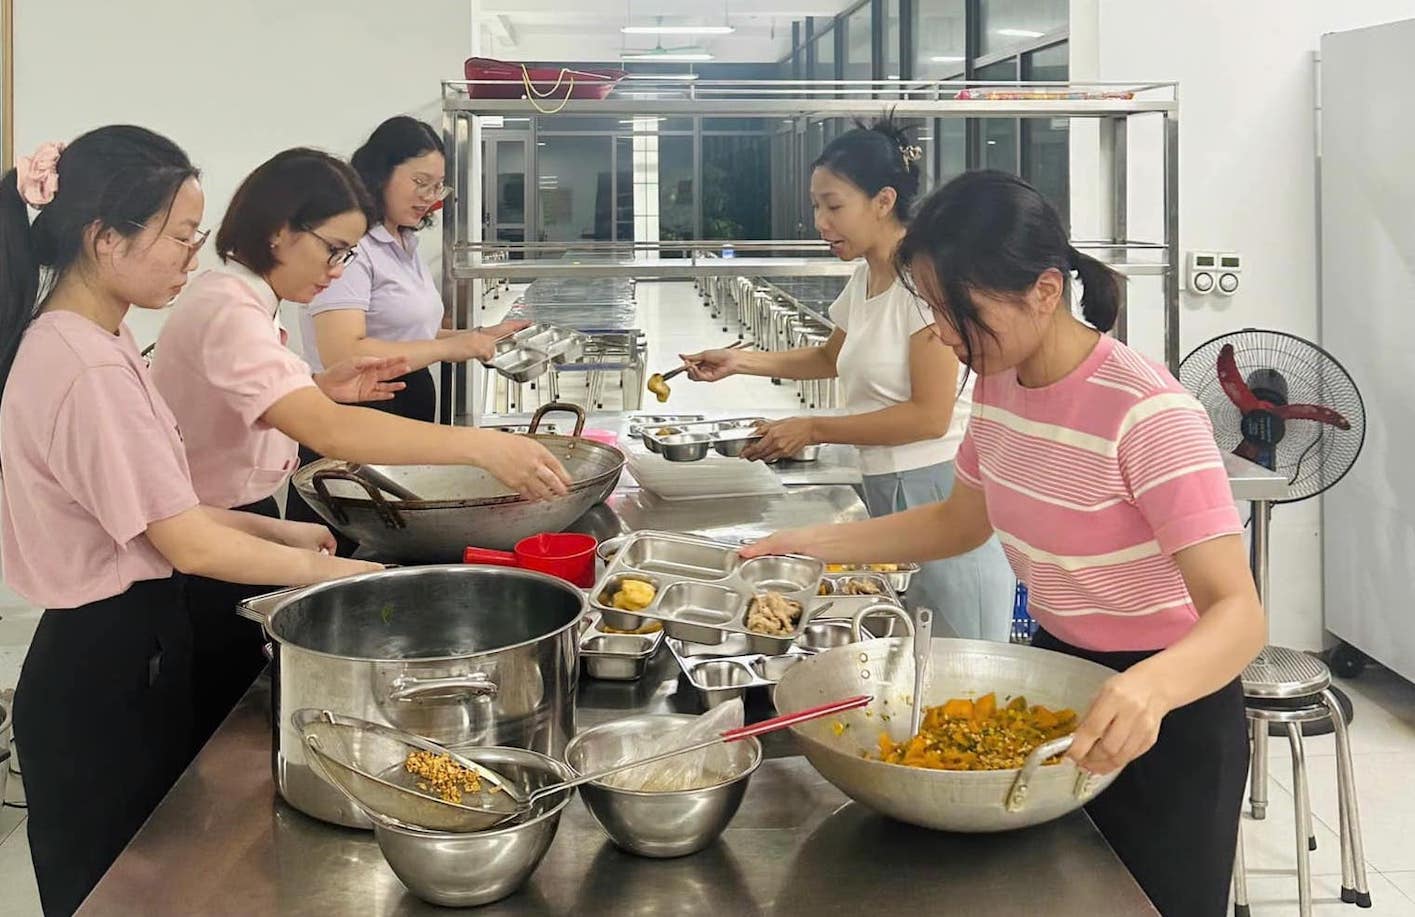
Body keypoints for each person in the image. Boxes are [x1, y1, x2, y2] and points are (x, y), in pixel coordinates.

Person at [744, 171, 1264, 917]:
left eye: (963, 315)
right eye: (936, 313)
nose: (946, 339)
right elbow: (957, 522)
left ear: (1044, 291)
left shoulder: (1147, 413)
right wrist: (806, 544)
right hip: (1058, 679)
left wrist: (1147, 687)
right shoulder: (999, 381)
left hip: (1167, 710)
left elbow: (1238, 614)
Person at [0, 128, 379, 917]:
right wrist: (341, 577)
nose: (190, 255)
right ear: (106, 240)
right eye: (178, 236)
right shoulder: (85, 365)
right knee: (120, 893)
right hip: (101, 676)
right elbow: (183, 541)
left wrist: (277, 534)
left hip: (122, 652)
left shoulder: (94, 341)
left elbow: (156, 508)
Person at [150, 148, 571, 750]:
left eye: (348, 253)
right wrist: (482, 448)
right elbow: (333, 435)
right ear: (279, 233)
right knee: (221, 729)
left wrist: (317, 387)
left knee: (238, 710)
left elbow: (250, 409)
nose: (339, 270)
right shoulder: (228, 309)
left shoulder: (245, 302)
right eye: (333, 250)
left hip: (234, 522)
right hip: (203, 540)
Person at [682, 117, 1015, 641]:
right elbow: (830, 357)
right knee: (913, 652)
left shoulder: (922, 283)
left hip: (938, 490)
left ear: (883, 201)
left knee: (961, 654)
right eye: (816, 206)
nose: (820, 221)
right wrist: (739, 362)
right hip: (889, 486)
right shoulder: (868, 276)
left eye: (834, 206)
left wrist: (814, 428)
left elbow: (930, 418)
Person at [298, 116, 521, 424]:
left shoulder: (402, 241)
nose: (429, 197)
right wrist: (446, 348)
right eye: (420, 182)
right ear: (380, 176)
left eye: (437, 187)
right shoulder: (353, 247)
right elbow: (344, 353)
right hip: (361, 405)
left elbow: (410, 333)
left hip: (407, 396)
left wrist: (477, 337)